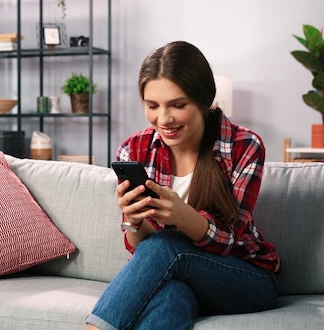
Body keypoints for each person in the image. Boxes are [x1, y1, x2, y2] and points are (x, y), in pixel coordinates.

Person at [85, 41, 281, 330]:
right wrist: (135, 221)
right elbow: (141, 252)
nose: (164, 119)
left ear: (203, 100)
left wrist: (182, 216)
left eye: (178, 105)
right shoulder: (133, 150)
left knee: (167, 246)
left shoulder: (244, 146)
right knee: (172, 297)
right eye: (152, 106)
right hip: (178, 277)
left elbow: (228, 240)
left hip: (244, 278)